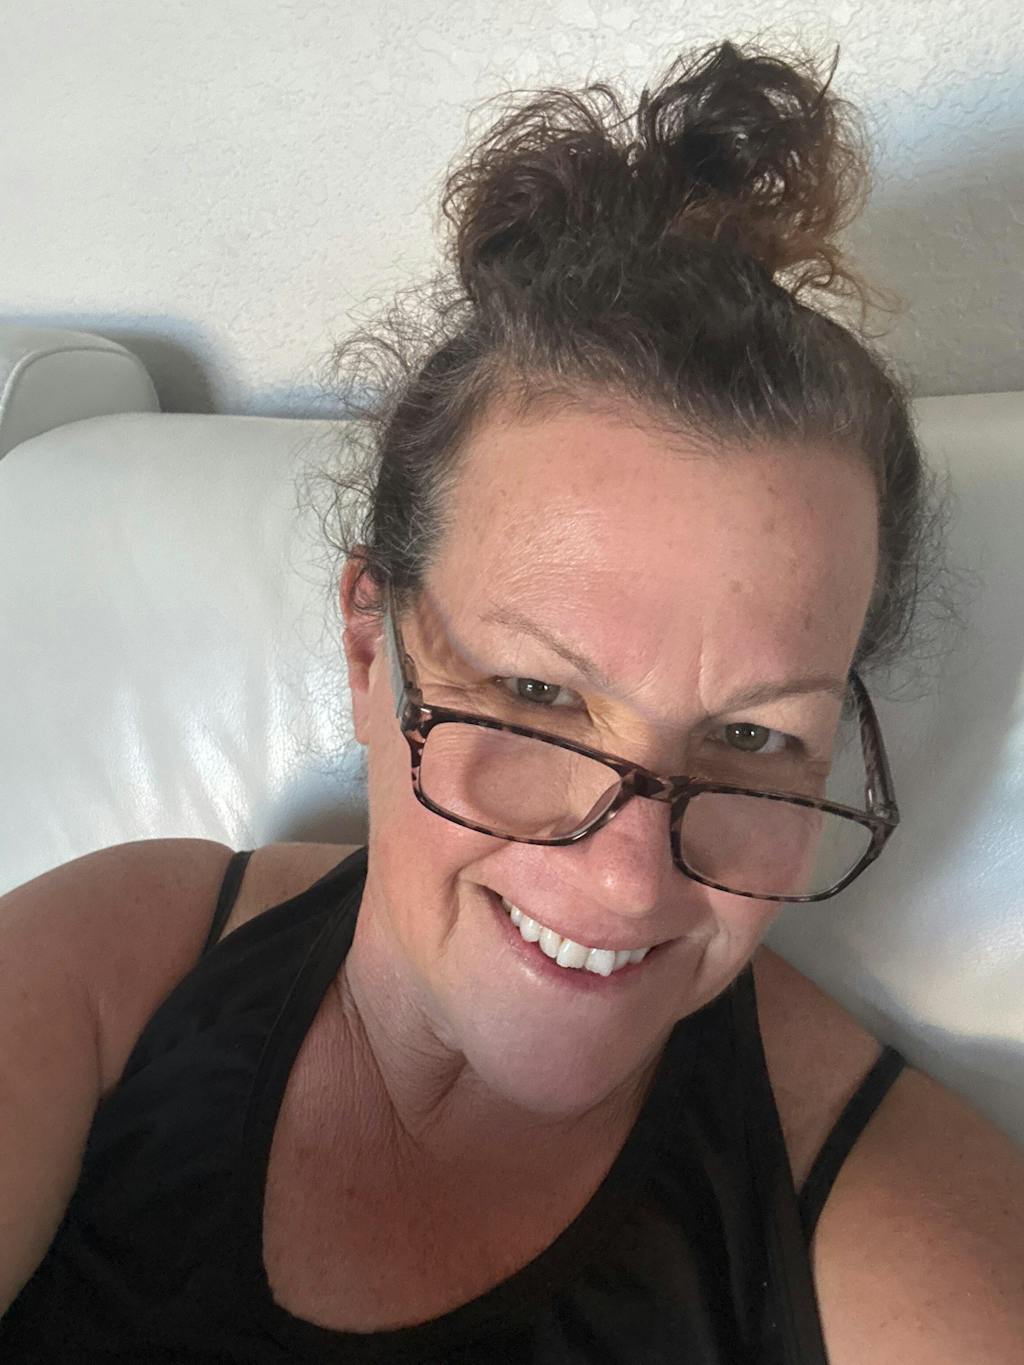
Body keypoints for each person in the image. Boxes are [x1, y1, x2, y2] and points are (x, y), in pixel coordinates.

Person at [1, 38, 1022, 1365]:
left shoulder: (909, 1252)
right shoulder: (113, 966)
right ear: (369, 649)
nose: (627, 880)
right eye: (538, 693)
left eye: (753, 737)